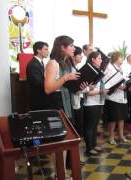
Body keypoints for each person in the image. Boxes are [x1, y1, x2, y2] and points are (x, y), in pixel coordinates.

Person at [44, 35, 88, 168]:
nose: (74, 49)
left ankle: (61, 172)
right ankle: (60, 173)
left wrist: (79, 85)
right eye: (72, 46)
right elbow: (48, 89)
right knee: (59, 142)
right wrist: (66, 78)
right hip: (56, 103)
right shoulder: (53, 63)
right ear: (62, 47)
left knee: (65, 141)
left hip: (66, 103)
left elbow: (68, 86)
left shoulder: (67, 63)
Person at [103, 51, 131, 145]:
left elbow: (122, 80)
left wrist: (126, 85)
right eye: (120, 57)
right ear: (115, 58)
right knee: (113, 118)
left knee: (121, 117)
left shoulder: (120, 68)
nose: (122, 59)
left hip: (121, 95)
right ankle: (111, 137)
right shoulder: (109, 67)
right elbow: (106, 81)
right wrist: (117, 86)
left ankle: (121, 135)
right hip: (113, 96)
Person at [83, 51, 108, 155]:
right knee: (90, 126)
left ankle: (93, 145)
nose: (101, 60)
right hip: (90, 103)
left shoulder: (98, 70)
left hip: (98, 102)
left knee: (95, 126)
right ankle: (89, 148)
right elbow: (87, 91)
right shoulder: (88, 71)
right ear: (92, 59)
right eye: (99, 58)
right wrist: (100, 91)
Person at [26, 41, 49, 111]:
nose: (48, 51)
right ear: (38, 50)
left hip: (43, 98)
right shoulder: (33, 64)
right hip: (38, 100)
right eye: (46, 49)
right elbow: (38, 83)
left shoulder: (40, 62)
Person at [69, 46, 85, 137]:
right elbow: (73, 87)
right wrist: (86, 88)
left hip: (79, 98)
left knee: (79, 125)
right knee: (74, 126)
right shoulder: (70, 68)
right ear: (73, 56)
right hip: (73, 100)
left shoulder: (76, 67)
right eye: (79, 55)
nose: (81, 57)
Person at [122, 54, 131, 123]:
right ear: (127, 60)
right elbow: (124, 77)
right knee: (127, 104)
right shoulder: (124, 67)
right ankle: (126, 118)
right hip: (126, 87)